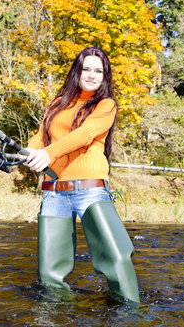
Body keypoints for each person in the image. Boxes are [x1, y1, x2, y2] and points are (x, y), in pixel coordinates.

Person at [22, 47, 139, 303]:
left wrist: (49, 153)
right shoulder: (56, 103)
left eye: (98, 71)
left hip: (90, 190)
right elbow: (41, 135)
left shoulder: (106, 105)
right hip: (54, 191)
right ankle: (57, 313)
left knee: (116, 259)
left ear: (104, 76)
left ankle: (131, 312)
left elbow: (85, 134)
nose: (92, 74)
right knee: (49, 272)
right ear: (77, 70)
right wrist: (31, 151)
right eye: (87, 68)